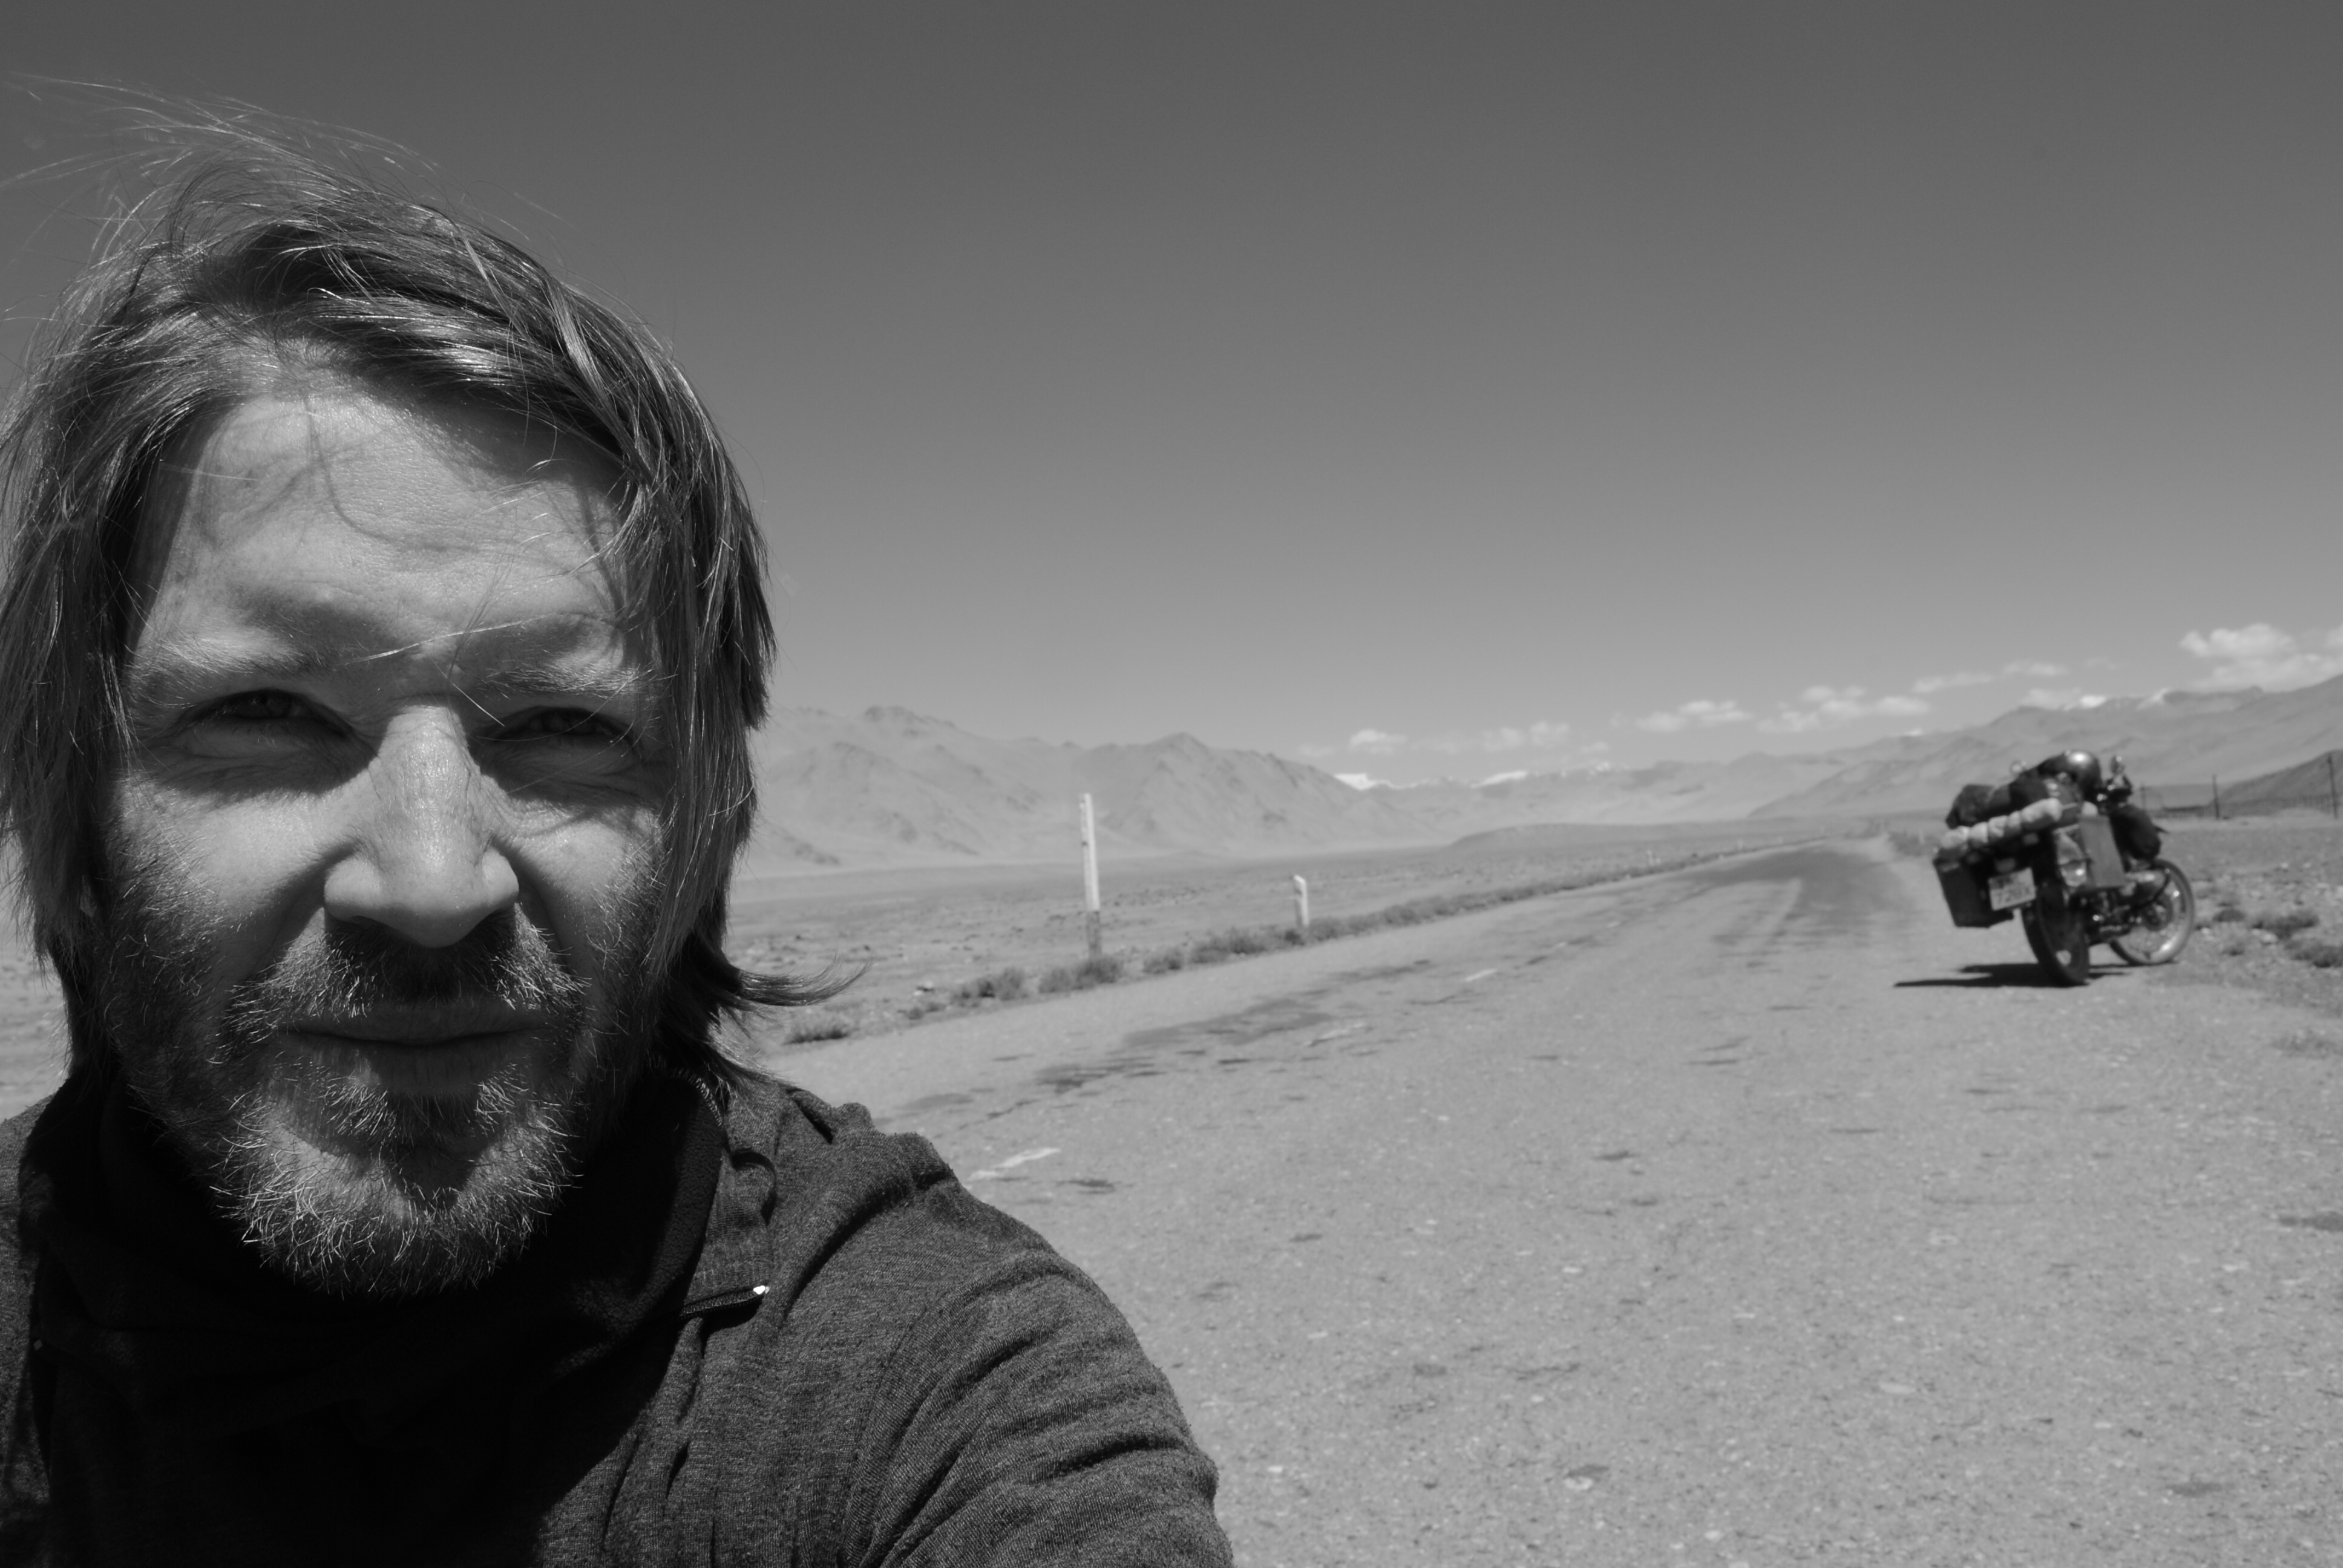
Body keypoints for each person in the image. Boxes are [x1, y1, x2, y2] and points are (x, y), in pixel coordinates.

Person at [0, 132, 1232, 1565]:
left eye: (561, 726)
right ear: (70, 809)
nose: (433, 881)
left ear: (704, 828)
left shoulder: (928, 1380)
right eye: (266, 711)